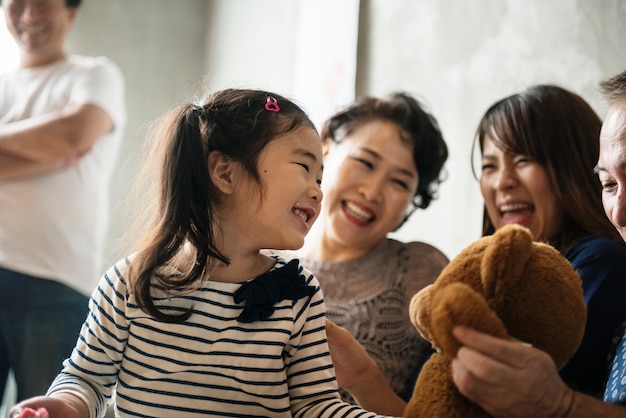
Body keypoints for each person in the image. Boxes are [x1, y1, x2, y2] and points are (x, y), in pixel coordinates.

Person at [9, 88, 400, 418]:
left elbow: (316, 406)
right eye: (303, 167)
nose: (318, 190)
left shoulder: (297, 294)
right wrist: (62, 406)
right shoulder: (129, 283)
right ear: (225, 173)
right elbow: (87, 380)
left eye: (320, 178)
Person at [326, 81, 626, 416]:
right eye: (489, 166)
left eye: (524, 159)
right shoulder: (482, 277)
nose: (502, 181)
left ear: (571, 167)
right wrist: (363, 379)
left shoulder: (598, 260)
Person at [276, 92, 449, 405]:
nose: (372, 192)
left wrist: (366, 382)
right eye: (365, 162)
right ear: (324, 151)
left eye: (399, 182)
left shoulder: (422, 271)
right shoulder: (262, 258)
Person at [0, 0, 125, 406]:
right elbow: (62, 143)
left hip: (57, 282)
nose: (29, 14)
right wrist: (45, 152)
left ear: (71, 12)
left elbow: (74, 134)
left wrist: (61, 141)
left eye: (44, 3)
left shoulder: (94, 74)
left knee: (49, 410)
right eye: (18, 2)